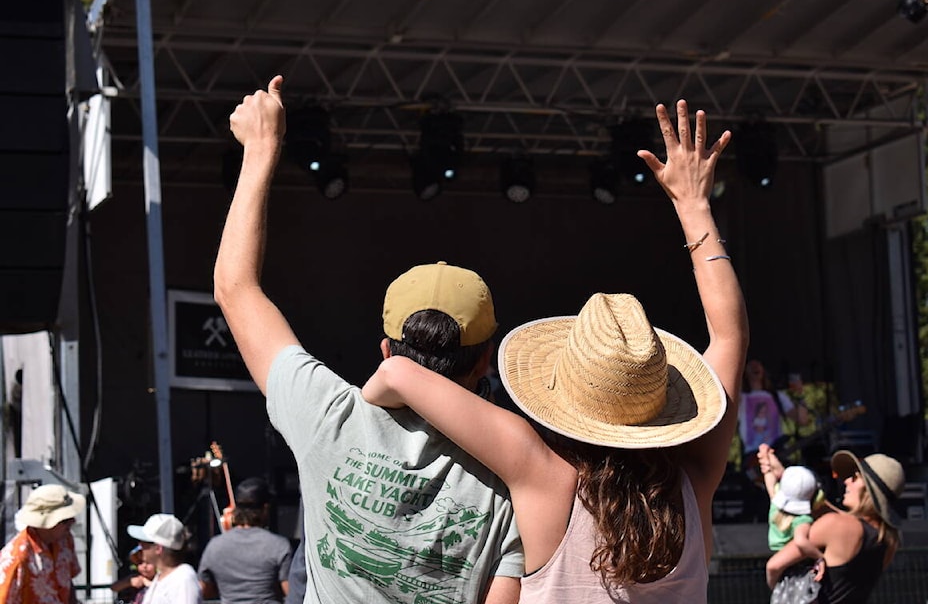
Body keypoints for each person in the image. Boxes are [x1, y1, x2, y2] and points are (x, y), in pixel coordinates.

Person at [362, 100, 748, 600]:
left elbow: (399, 377)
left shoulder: (543, 476)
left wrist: (363, 405)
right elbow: (731, 336)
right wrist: (694, 206)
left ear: (564, 399)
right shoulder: (695, 485)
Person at [213, 75, 523, 604]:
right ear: (485, 361)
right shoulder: (517, 471)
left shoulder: (327, 417)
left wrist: (261, 151)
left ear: (386, 351)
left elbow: (235, 288)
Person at [766, 450, 905, 602]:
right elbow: (838, 516)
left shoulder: (837, 525)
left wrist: (780, 592)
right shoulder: (889, 540)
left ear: (868, 490)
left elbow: (774, 565)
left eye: (855, 478)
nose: (846, 481)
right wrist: (790, 479)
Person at [198, 477, 292, 604]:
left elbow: (204, 591)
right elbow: (291, 592)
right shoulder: (279, 545)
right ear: (265, 508)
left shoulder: (215, 546)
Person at [0, 483, 85, 604]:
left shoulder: (65, 540)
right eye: (65, 520)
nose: (73, 522)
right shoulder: (16, 558)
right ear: (45, 524)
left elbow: (68, 582)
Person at [739, 360, 810, 467]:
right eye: (751, 365)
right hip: (752, 456)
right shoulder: (741, 398)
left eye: (758, 363)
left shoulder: (777, 396)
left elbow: (802, 420)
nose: (755, 366)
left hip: (777, 452)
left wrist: (800, 395)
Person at [757, 443, 821, 553]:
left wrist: (766, 457)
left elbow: (769, 475)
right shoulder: (803, 519)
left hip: (775, 554)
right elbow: (801, 542)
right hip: (796, 559)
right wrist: (820, 557)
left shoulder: (776, 505)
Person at [127, 514, 202, 604]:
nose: (140, 545)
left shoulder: (183, 578)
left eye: (145, 542)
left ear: (158, 548)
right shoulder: (161, 577)